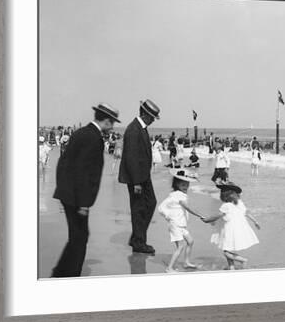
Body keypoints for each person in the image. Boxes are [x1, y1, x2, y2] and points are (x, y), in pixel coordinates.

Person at [51, 103, 120, 277]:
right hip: (77, 199)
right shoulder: (93, 138)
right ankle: (70, 275)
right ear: (106, 121)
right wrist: (83, 203)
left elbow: (63, 163)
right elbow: (84, 172)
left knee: (78, 236)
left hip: (68, 194)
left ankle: (61, 271)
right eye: (112, 123)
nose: (112, 127)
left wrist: (63, 189)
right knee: (79, 238)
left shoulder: (81, 133)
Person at [118, 99, 161, 254]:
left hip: (143, 176)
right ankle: (139, 242)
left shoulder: (140, 128)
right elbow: (131, 157)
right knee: (139, 208)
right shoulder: (134, 129)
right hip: (137, 178)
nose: (152, 121)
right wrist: (136, 182)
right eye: (151, 117)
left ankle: (137, 237)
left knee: (149, 204)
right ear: (144, 114)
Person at [202, 182, 260, 270]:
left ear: (224, 195)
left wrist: (208, 220)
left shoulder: (226, 206)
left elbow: (218, 215)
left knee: (226, 251)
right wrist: (255, 221)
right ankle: (231, 267)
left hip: (229, 230)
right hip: (238, 229)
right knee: (228, 249)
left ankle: (242, 260)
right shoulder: (239, 203)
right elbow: (246, 212)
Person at [158, 169, 204, 273]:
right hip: (176, 224)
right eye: (182, 184)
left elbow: (161, 207)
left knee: (190, 241)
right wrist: (201, 215)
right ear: (177, 184)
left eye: (187, 184)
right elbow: (188, 208)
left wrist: (167, 215)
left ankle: (186, 262)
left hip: (180, 224)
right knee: (180, 247)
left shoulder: (175, 194)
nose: (185, 186)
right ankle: (169, 268)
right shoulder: (179, 195)